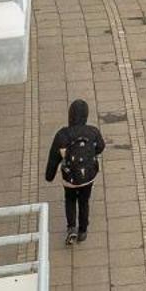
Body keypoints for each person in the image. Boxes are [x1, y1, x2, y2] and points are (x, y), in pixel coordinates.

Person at [44, 98, 105, 244]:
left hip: (69, 177)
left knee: (70, 199)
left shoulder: (62, 135)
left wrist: (49, 176)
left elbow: (53, 158)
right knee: (84, 201)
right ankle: (83, 230)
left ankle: (71, 227)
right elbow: (101, 146)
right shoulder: (93, 131)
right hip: (88, 177)